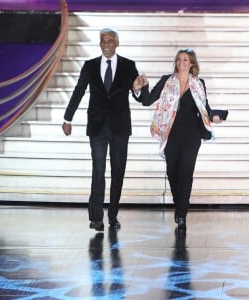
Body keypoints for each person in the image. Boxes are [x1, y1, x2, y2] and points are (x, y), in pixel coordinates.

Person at [135, 48, 227, 232]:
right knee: (172, 171)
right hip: (172, 133)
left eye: (185, 60)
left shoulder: (199, 83)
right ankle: (180, 205)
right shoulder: (166, 81)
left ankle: (182, 213)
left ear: (192, 63)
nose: (181, 63)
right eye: (179, 60)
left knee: (186, 171)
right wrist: (139, 89)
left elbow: (204, 108)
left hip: (192, 134)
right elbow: (147, 100)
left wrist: (215, 117)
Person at [62, 28, 144, 231]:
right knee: (98, 170)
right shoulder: (90, 66)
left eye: (109, 41)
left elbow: (139, 95)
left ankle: (113, 215)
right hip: (97, 126)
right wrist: (67, 118)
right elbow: (79, 91)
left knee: (118, 171)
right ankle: (96, 217)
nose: (106, 44)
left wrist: (138, 88)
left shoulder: (128, 66)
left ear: (117, 43)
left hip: (120, 127)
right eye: (102, 41)